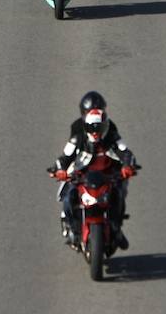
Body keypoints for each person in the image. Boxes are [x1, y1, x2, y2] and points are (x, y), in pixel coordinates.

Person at [49, 90, 136, 250]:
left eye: (99, 127)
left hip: (107, 173)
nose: (95, 132)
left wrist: (127, 165)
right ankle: (72, 228)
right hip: (82, 173)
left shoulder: (111, 131)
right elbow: (66, 155)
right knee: (68, 197)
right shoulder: (77, 133)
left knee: (119, 194)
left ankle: (116, 229)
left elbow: (124, 151)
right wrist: (59, 169)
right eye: (91, 128)